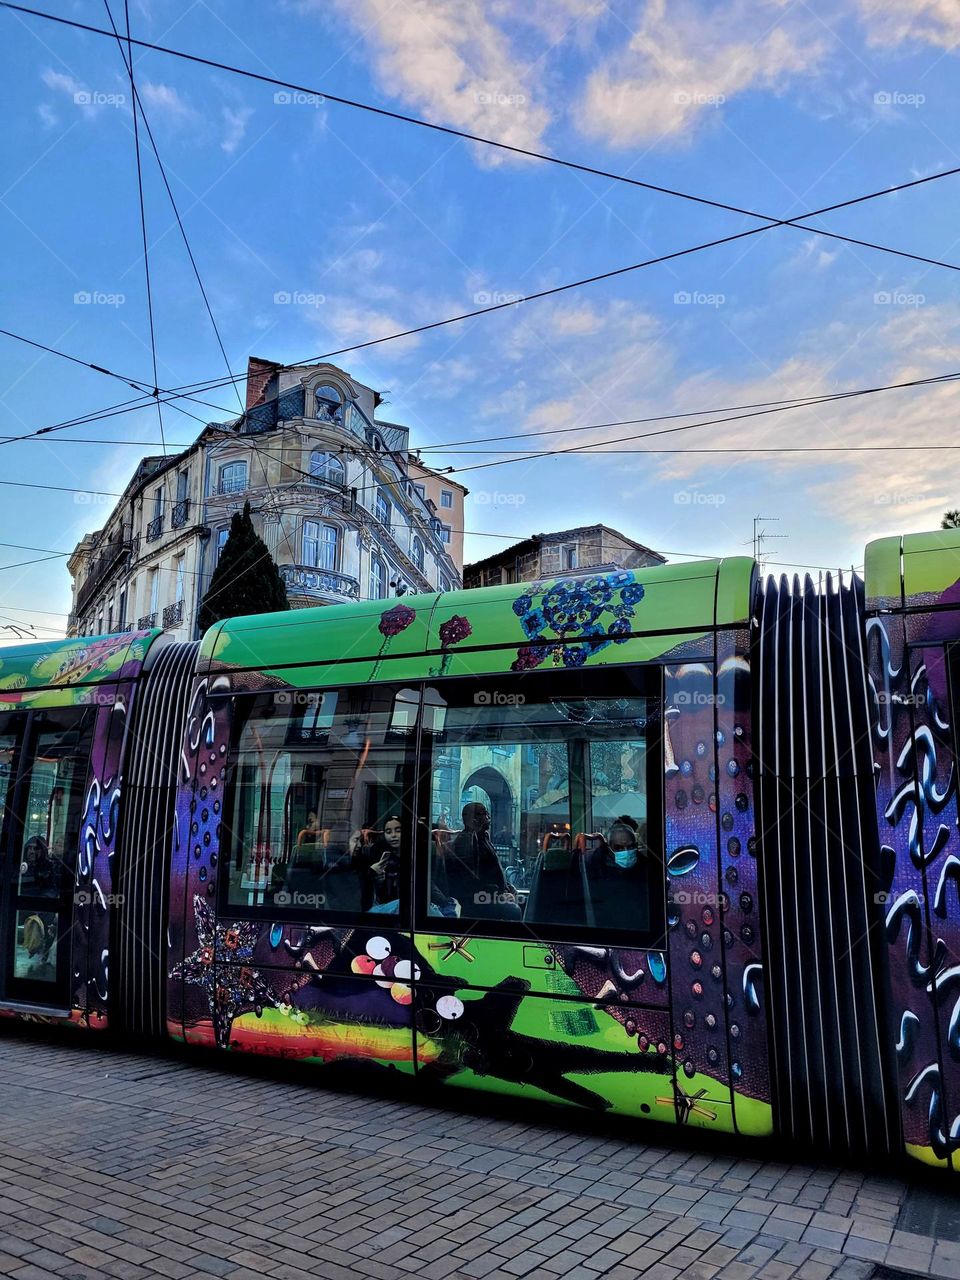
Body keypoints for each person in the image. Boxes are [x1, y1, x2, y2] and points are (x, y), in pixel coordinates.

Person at [441, 803, 520, 920]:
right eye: (485, 814)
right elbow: (470, 881)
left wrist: (508, 887)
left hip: (490, 895)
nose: (489, 818)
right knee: (514, 911)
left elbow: (494, 871)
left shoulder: (483, 838)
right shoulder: (466, 842)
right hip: (475, 901)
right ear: (474, 819)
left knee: (526, 902)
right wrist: (498, 896)